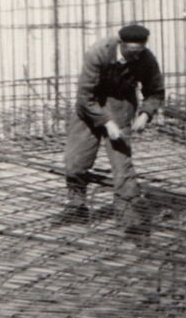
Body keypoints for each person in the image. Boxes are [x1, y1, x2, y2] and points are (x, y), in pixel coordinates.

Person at [59, 24, 165, 233]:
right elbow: (84, 98)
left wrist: (145, 114)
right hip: (90, 108)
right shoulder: (98, 53)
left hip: (120, 107)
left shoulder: (146, 58)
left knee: (122, 167)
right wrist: (106, 122)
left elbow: (155, 92)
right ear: (121, 44)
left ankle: (130, 221)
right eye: (131, 52)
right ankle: (77, 206)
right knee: (75, 163)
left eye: (140, 52)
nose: (135, 58)